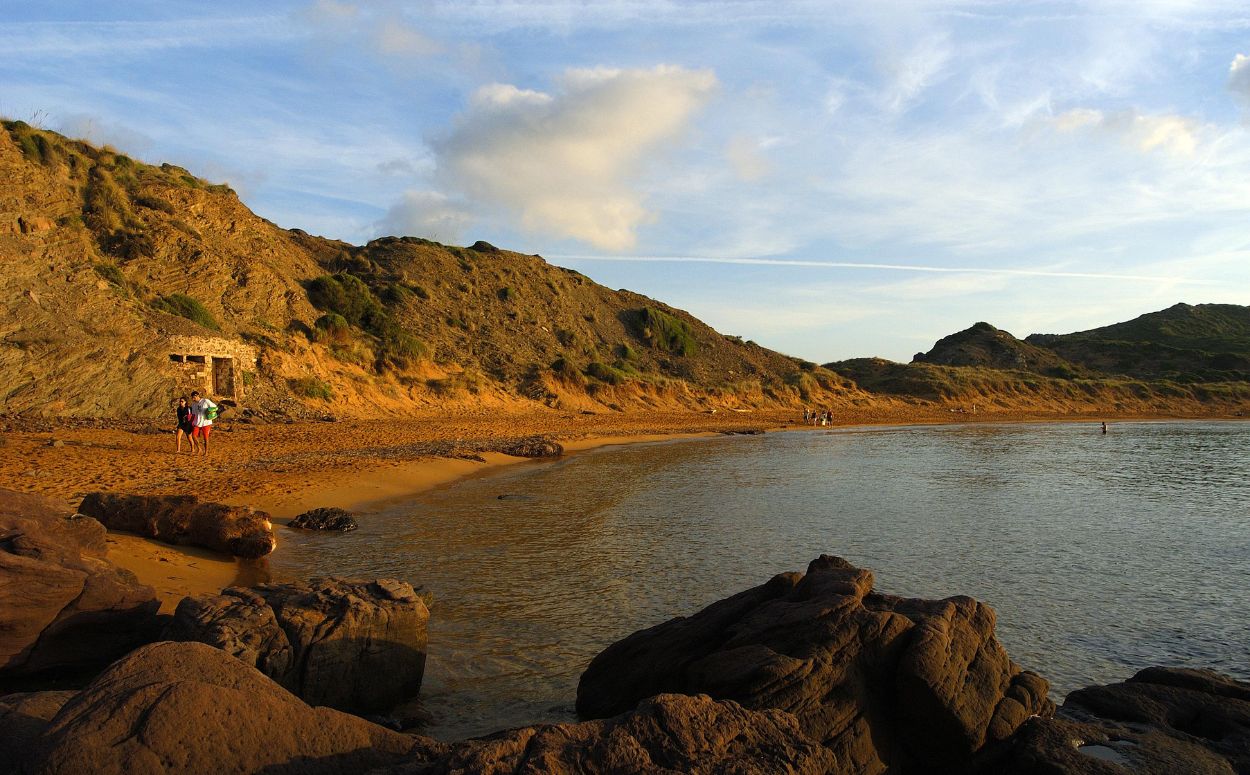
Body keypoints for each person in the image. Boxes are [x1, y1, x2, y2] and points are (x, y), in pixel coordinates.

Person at [189, 390, 218, 456]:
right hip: (197, 423)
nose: (193, 399)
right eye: (192, 398)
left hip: (206, 422)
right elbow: (194, 414)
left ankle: (206, 452)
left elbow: (215, 407)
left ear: (197, 396)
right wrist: (191, 421)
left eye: (194, 397)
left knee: (206, 438)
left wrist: (209, 412)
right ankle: (199, 449)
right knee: (193, 436)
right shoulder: (193, 404)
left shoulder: (205, 401)